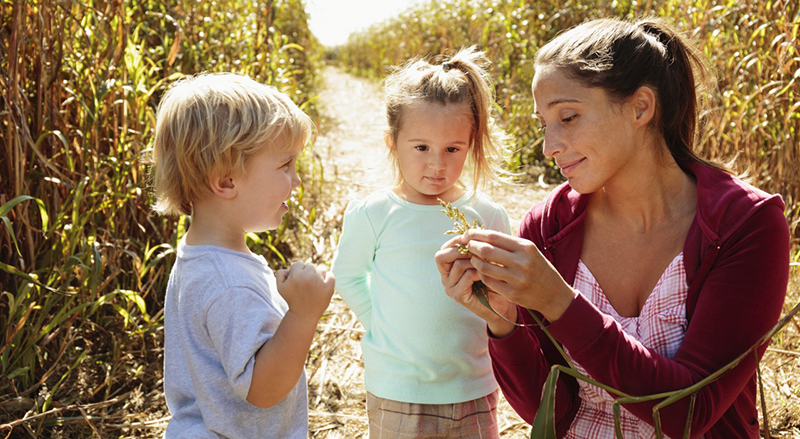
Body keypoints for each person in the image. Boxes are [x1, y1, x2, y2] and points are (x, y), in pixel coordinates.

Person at [435, 17, 790, 439]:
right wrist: (504, 322)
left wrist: (562, 305)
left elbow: (689, 413)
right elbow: (549, 412)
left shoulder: (744, 225)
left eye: (568, 117)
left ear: (640, 107)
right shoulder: (547, 228)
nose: (549, 146)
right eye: (543, 124)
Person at [331, 47, 512, 437]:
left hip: (474, 389)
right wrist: (381, 323)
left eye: (453, 149)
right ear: (392, 142)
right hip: (399, 391)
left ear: (471, 143)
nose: (437, 164)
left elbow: (506, 294)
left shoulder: (486, 215)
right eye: (421, 148)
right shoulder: (374, 213)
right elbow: (347, 275)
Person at [151, 72, 335, 438]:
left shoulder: (200, 256)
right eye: (285, 166)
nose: (296, 180)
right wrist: (303, 313)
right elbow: (263, 390)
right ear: (226, 181)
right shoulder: (229, 284)